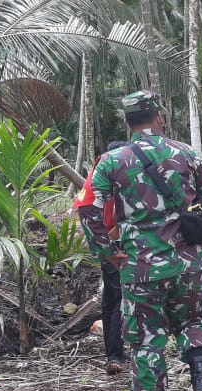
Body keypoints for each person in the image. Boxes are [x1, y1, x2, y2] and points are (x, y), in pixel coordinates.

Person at [86, 90, 202, 391]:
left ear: (127, 121)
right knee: (192, 321)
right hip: (187, 262)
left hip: (140, 266)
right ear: (159, 116)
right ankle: (201, 376)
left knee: (147, 337)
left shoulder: (112, 160)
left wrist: (107, 251)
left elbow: (89, 208)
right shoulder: (187, 153)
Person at [74, 141, 130, 375]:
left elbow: (85, 206)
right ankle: (115, 354)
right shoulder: (117, 173)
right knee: (118, 298)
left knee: (111, 296)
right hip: (116, 242)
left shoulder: (100, 175)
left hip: (107, 242)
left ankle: (114, 351)